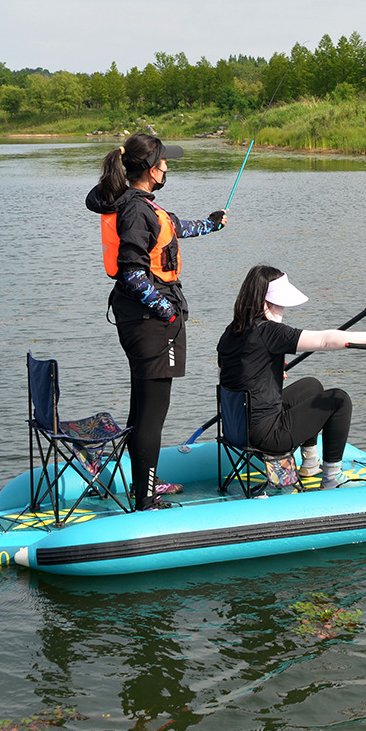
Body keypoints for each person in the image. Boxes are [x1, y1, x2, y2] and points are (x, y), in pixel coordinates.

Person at [86, 134, 227, 510]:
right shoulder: (135, 210)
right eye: (164, 163)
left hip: (143, 321)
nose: (167, 168)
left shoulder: (138, 204)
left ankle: (143, 485)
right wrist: (166, 311)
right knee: (152, 414)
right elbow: (131, 272)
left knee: (143, 408)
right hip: (150, 323)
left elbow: (174, 228)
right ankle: (146, 500)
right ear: (151, 170)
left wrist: (211, 224)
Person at [216, 265, 366, 490]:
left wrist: (266, 371)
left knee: (311, 386)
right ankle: (332, 477)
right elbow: (324, 340)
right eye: (280, 303)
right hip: (267, 435)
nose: (283, 309)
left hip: (236, 429)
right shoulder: (270, 331)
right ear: (266, 303)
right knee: (338, 400)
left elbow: (228, 375)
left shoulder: (232, 331)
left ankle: (310, 465)